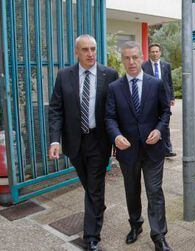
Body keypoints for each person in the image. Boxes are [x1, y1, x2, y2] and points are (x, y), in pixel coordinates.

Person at [48, 34, 118, 251]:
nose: (90, 54)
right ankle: (98, 207)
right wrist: (54, 141)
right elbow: (56, 110)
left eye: (93, 49)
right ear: (76, 52)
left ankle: (91, 236)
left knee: (94, 186)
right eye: (85, 50)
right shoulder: (64, 76)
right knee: (89, 185)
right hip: (74, 141)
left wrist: (118, 137)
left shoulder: (109, 74)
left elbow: (116, 109)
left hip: (99, 140)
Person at [105, 41, 171, 251]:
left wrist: (159, 130)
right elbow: (109, 118)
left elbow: (165, 112)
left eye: (135, 57)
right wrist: (116, 136)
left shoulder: (156, 84)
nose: (131, 62)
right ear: (122, 60)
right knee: (131, 191)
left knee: (154, 192)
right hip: (128, 151)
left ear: (142, 58)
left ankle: (159, 235)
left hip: (153, 150)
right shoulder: (114, 88)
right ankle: (136, 225)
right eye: (127, 58)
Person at [141, 43, 176, 158]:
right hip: (149, 98)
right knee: (151, 122)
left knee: (165, 123)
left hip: (164, 98)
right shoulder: (144, 66)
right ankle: (151, 147)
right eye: (152, 51)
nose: (155, 53)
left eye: (157, 51)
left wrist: (171, 97)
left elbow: (169, 82)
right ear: (149, 53)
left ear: (160, 52)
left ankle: (168, 149)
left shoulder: (166, 65)